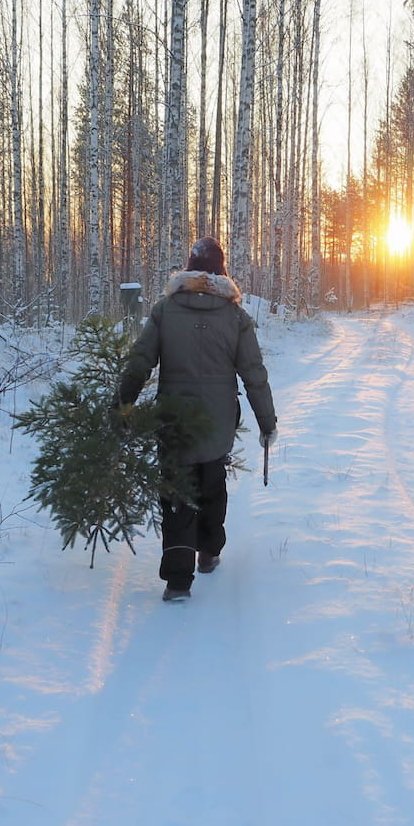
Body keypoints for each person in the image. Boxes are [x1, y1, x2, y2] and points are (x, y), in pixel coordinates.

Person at [117, 236, 277, 602]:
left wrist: (122, 402)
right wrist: (267, 422)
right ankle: (209, 553)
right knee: (212, 482)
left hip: (174, 420)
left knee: (176, 494)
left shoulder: (165, 310)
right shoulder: (235, 317)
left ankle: (177, 581)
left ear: (188, 267)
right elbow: (254, 373)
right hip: (219, 423)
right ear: (221, 271)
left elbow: (140, 360)